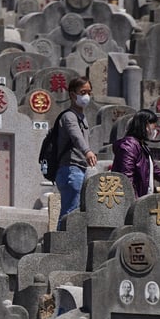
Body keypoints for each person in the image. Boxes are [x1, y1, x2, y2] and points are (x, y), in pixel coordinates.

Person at [54, 77, 97, 230]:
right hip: (71, 169)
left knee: (74, 210)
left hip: (79, 169)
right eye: (83, 92)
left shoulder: (81, 116)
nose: (86, 96)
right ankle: (61, 245)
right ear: (72, 95)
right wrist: (87, 151)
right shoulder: (69, 116)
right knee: (70, 212)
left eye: (89, 93)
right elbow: (76, 135)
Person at [110, 109, 160, 196]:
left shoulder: (142, 146)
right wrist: (135, 202)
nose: (155, 129)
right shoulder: (129, 145)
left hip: (143, 198)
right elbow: (126, 177)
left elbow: (157, 172)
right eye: (154, 125)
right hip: (132, 200)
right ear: (145, 125)